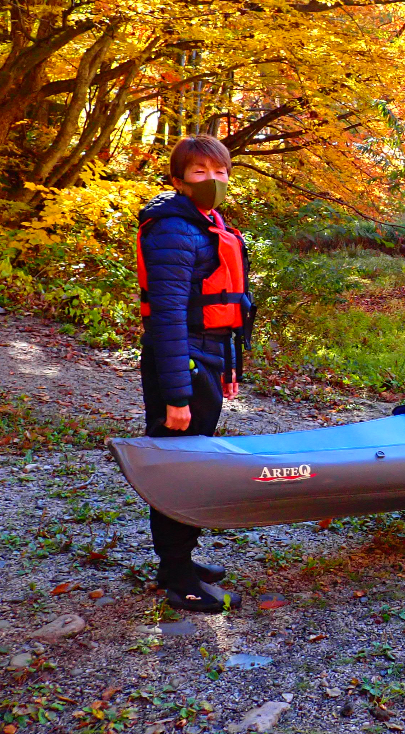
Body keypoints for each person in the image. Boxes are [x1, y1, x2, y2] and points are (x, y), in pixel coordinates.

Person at [136, 134, 255, 613]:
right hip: (180, 360)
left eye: (220, 171)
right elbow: (166, 320)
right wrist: (178, 397)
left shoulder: (204, 223)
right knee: (179, 471)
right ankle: (180, 580)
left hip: (205, 357)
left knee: (190, 463)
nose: (213, 180)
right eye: (201, 172)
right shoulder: (171, 230)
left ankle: (175, 563)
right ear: (178, 179)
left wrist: (226, 366)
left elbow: (218, 309)